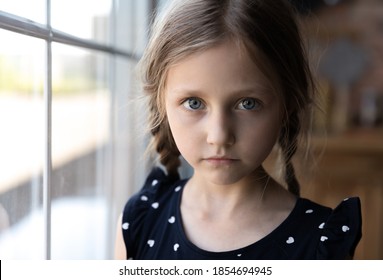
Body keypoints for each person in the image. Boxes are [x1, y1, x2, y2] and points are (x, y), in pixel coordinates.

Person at [115, 0, 362, 260]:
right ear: (161, 102)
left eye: (247, 104)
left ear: (288, 103)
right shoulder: (140, 223)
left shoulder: (320, 245)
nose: (219, 135)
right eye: (194, 103)